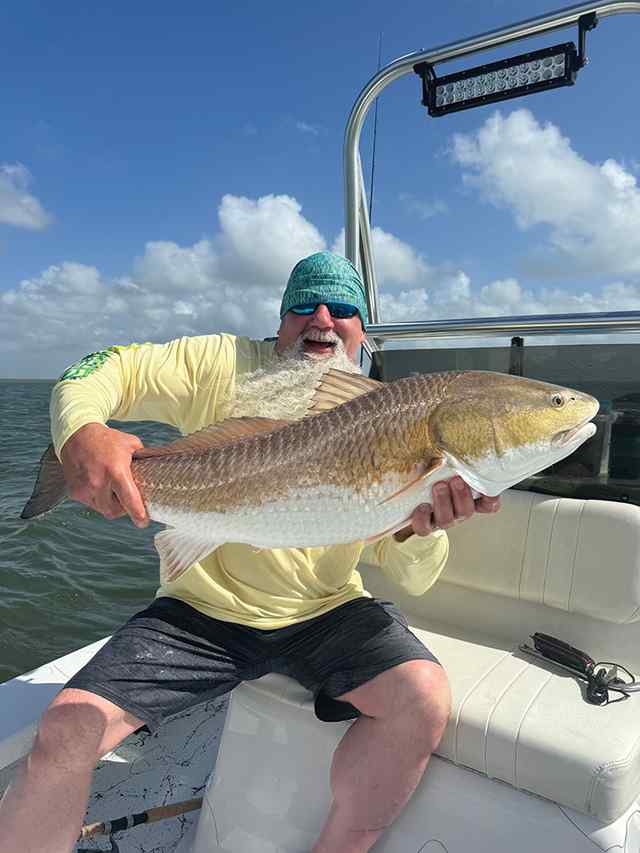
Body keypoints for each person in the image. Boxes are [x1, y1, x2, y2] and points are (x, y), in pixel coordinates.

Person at [0, 251, 500, 853]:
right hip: (199, 615)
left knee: (421, 700)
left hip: (326, 611)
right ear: (280, 318)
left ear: (362, 329)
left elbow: (414, 579)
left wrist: (419, 529)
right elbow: (102, 368)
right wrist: (81, 432)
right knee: (65, 731)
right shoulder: (222, 363)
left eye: (342, 309)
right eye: (302, 305)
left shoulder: (388, 413)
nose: (321, 318)